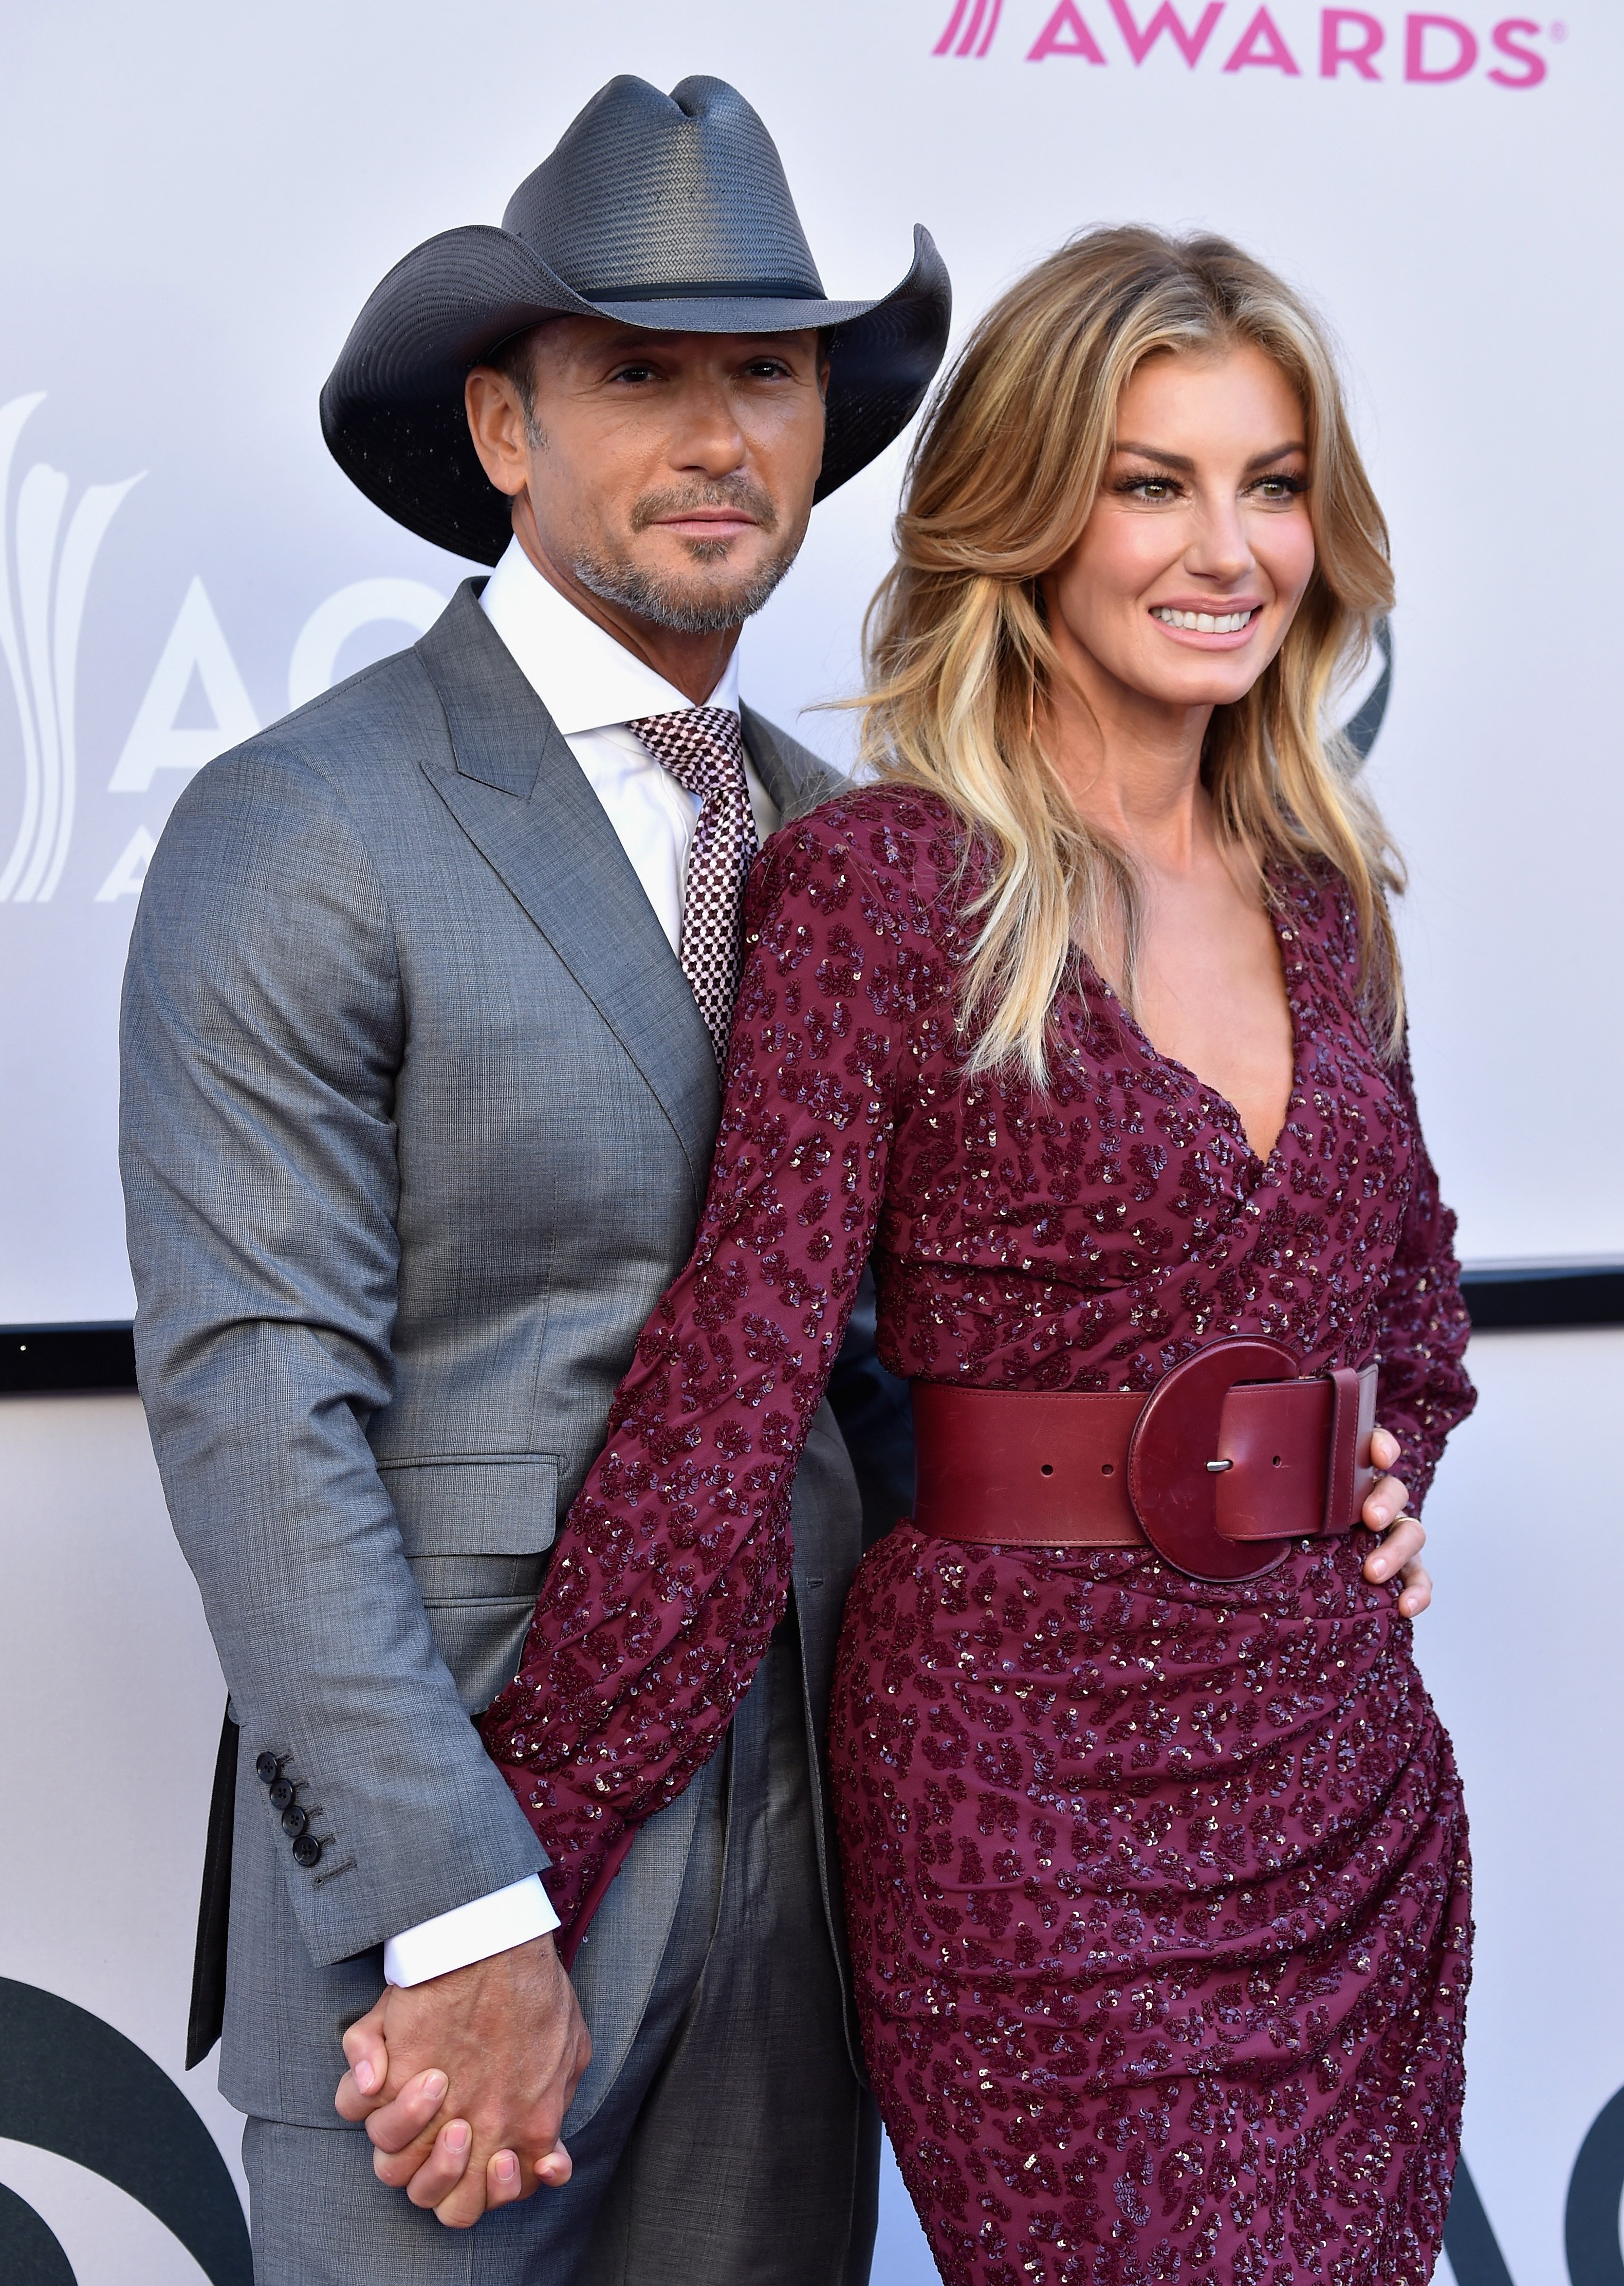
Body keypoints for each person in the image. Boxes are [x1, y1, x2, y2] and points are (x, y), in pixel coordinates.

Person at [393, 226, 1473, 2280]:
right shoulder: (886, 891)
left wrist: (1374, 1467)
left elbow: (1409, 1314)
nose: (1226, 545)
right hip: (1025, 1797)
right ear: (1025, 517)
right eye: (1150, 481)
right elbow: (726, 1404)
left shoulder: (1320, 892)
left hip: (1343, 1789)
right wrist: (502, 1878)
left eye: (1268, 482)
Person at [119, 72, 945, 2283]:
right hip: (453, 1906)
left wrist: (1284, 1483)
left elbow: (936, 1359)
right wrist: (460, 1909)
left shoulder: (858, 849)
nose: (714, 436)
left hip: (803, 1909)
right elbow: (256, 1409)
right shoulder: (304, 822)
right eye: (637, 374)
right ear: (502, 428)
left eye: (762, 373)